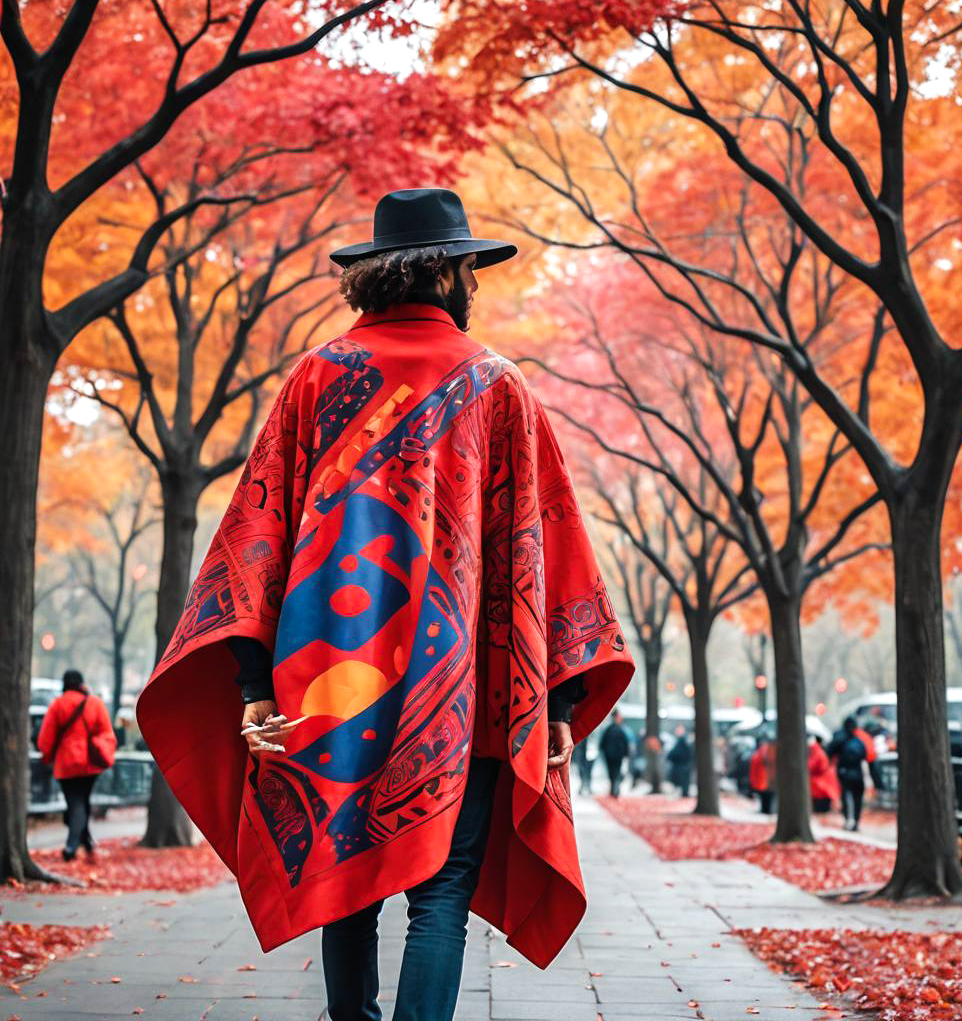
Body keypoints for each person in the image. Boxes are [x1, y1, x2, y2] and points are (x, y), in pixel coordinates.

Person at [134, 188, 635, 1021]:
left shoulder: (315, 378)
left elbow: (257, 541)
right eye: (467, 268)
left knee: (348, 888)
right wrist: (554, 701)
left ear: (375, 277)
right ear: (451, 274)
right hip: (463, 700)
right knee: (440, 898)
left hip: (330, 693)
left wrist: (256, 685)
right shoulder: (497, 388)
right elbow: (540, 553)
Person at [37, 669, 117, 861]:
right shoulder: (95, 703)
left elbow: (45, 739)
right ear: (82, 683)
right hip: (90, 764)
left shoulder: (58, 705)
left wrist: (46, 756)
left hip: (66, 764)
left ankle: (71, 846)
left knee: (75, 803)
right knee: (82, 802)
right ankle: (84, 842)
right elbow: (107, 732)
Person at [828, 717, 868, 831]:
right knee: (857, 799)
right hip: (858, 773)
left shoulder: (839, 739)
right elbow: (865, 756)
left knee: (846, 797)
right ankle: (856, 822)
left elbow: (829, 751)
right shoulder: (859, 741)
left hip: (844, 772)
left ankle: (847, 820)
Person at [599, 710, 631, 798]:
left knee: (612, 773)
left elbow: (602, 744)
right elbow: (625, 744)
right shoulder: (620, 730)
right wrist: (625, 754)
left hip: (611, 756)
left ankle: (614, 789)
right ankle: (615, 789)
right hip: (616, 756)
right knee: (616, 773)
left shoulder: (609, 729)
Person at [807, 736, 839, 814]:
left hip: (819, 785)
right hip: (822, 785)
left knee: (820, 810)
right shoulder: (819, 752)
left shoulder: (817, 752)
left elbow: (810, 766)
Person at [749, 735, 776, 814]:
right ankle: (767, 810)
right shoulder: (766, 750)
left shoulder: (762, 750)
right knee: (767, 796)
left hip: (764, 778)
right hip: (765, 778)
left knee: (766, 796)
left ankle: (766, 810)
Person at [667, 724, 693, 797]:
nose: (677, 732)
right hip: (680, 764)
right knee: (680, 780)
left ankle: (685, 793)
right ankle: (684, 793)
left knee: (684, 780)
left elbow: (685, 753)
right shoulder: (679, 740)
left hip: (683, 764)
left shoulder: (684, 740)